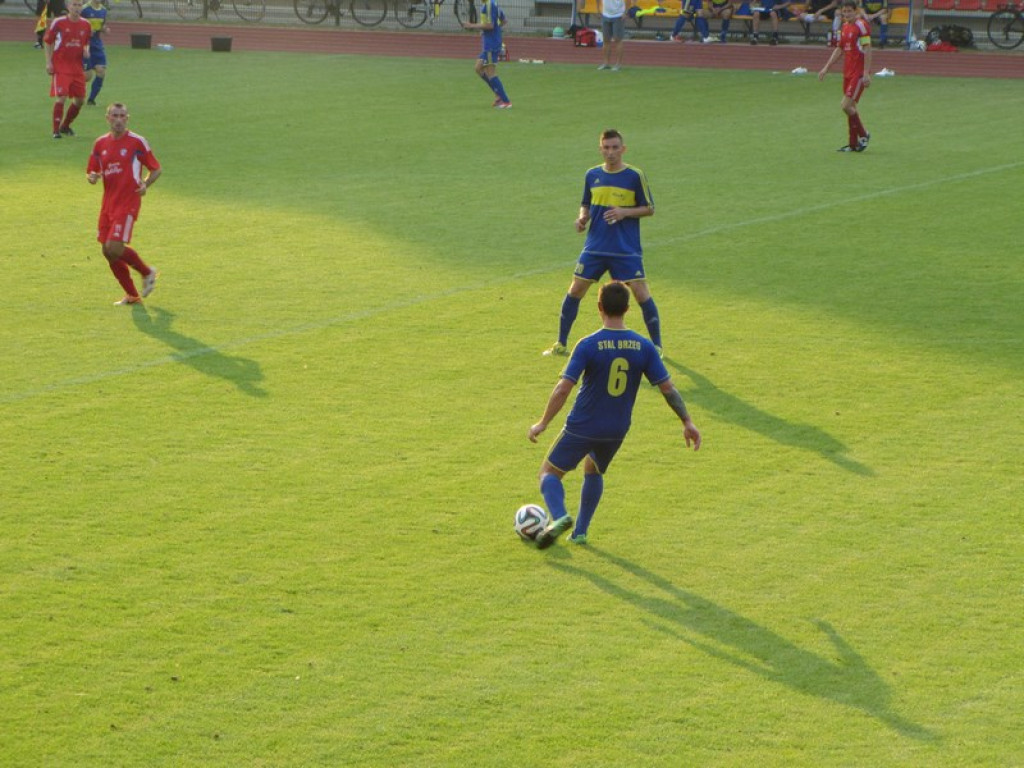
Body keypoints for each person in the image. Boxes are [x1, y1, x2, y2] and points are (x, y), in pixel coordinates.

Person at [528, 281, 701, 549]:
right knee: (593, 469)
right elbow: (668, 389)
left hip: (583, 425)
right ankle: (581, 533)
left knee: (548, 474)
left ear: (599, 307)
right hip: (617, 429)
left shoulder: (588, 345)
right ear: (628, 309)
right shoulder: (643, 346)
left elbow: (564, 388)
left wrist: (543, 422)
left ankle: (560, 517)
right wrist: (687, 421)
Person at [543, 129, 663, 359]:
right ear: (600, 149)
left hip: (625, 249)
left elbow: (649, 208)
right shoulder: (592, 175)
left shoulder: (634, 176)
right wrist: (582, 218)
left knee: (640, 292)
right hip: (595, 247)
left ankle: (657, 346)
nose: (610, 152)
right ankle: (560, 343)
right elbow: (586, 203)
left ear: (623, 149)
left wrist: (623, 212)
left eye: (615, 147)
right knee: (575, 289)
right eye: (606, 148)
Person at [86, 103, 162, 305]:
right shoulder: (100, 144)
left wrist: (145, 185)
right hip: (108, 204)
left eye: (122, 116)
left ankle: (147, 273)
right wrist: (92, 177)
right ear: (107, 118)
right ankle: (132, 295)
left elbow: (156, 169)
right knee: (107, 251)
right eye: (114, 116)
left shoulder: (137, 142)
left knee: (115, 247)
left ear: (127, 118)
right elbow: (93, 171)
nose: (118, 119)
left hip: (128, 202)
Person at [818, 0, 872, 153]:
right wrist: (826, 67)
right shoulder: (845, 26)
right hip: (847, 72)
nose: (847, 14)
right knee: (851, 108)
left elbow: (868, 49)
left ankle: (864, 134)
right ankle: (853, 144)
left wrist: (866, 73)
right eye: (845, 11)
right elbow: (840, 49)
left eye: (850, 11)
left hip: (858, 73)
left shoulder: (861, 26)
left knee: (846, 106)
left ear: (856, 11)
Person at [43, 0, 90, 139]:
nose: (76, 8)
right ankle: (55, 130)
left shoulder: (86, 24)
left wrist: (86, 50)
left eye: (79, 5)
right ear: (68, 6)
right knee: (61, 97)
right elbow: (48, 41)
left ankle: (65, 126)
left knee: (80, 100)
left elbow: (86, 42)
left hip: (77, 67)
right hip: (61, 66)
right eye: (74, 5)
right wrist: (48, 62)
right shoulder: (58, 22)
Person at [462, 0, 511, 108]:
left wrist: (471, 26)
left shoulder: (489, 5)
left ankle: (506, 101)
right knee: (478, 68)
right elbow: (504, 20)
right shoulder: (492, 3)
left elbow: (490, 25)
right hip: (491, 43)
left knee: (491, 72)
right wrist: (494, 32)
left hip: (491, 44)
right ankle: (498, 95)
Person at [588, 0, 629, 70]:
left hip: (618, 15)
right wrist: (598, 9)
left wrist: (625, 12)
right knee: (606, 39)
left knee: (618, 39)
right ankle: (606, 63)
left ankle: (618, 64)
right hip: (606, 14)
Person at [81, 0, 108, 106]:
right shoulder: (83, 9)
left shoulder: (103, 10)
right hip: (85, 44)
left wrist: (104, 29)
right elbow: (77, 23)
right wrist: (86, 30)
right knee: (87, 77)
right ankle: (76, 92)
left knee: (101, 71)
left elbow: (102, 26)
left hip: (97, 45)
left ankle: (91, 100)